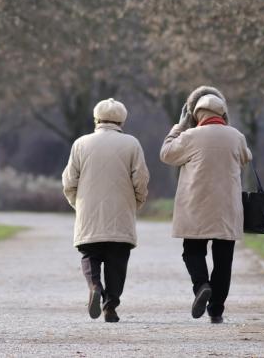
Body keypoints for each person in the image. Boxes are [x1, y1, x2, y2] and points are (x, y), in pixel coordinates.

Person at [159, 86, 252, 324]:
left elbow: (167, 154)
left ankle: (201, 285)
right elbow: (246, 157)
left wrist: (179, 127)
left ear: (195, 114)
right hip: (227, 208)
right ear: (222, 113)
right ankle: (217, 309)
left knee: (192, 251)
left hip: (195, 206)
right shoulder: (236, 136)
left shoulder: (189, 137)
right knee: (223, 260)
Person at [62, 98, 150, 323]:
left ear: (96, 119)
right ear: (122, 120)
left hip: (89, 213)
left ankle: (94, 286)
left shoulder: (81, 144)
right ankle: (110, 306)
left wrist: (79, 204)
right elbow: (141, 179)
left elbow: (69, 181)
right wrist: (135, 203)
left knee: (89, 254)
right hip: (121, 213)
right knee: (117, 261)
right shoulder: (132, 144)